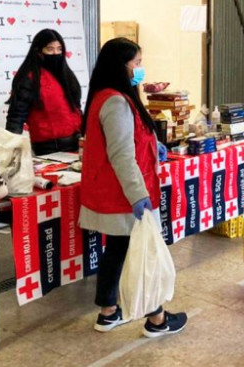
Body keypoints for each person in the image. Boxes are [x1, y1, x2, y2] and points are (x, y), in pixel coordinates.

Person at [78, 37, 182, 337]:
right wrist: (139, 196)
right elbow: (121, 154)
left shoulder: (109, 96)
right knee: (144, 254)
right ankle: (157, 319)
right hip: (123, 194)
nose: (140, 69)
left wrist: (153, 146)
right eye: (136, 63)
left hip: (114, 191)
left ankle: (108, 312)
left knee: (118, 250)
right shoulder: (115, 101)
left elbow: (129, 141)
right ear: (120, 66)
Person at [6, 29, 82, 155]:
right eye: (50, 49)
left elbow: (76, 109)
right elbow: (16, 117)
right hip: (50, 148)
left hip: (76, 142)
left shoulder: (66, 74)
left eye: (59, 49)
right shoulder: (29, 78)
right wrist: (10, 150)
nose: (56, 53)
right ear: (39, 51)